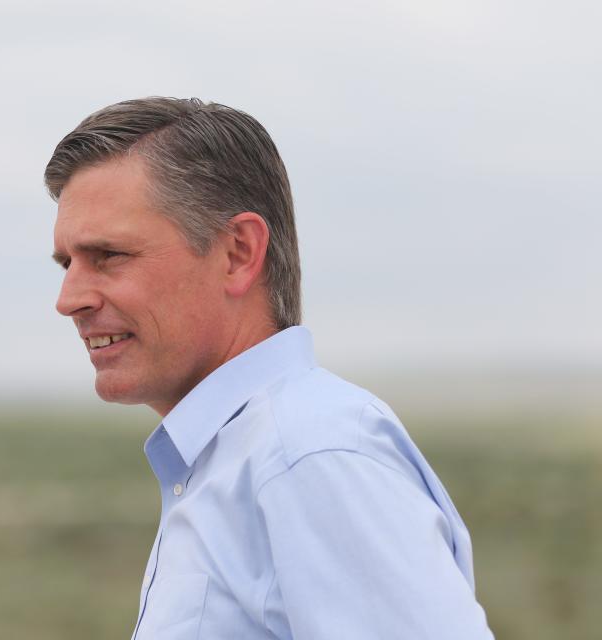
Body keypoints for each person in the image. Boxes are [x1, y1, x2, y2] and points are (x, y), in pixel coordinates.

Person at [45, 97, 494, 639]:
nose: (69, 299)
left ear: (237, 252)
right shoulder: (244, 459)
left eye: (109, 256)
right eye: (68, 263)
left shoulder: (310, 454)